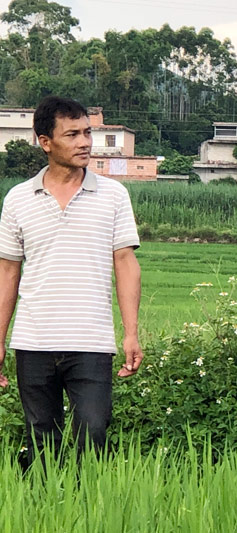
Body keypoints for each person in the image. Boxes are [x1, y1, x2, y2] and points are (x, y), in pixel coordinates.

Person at [0, 96, 143, 468]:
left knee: (92, 434)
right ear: (45, 141)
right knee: (41, 439)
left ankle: (87, 511)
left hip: (91, 341)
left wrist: (131, 333)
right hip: (34, 341)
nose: (84, 142)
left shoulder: (113, 195)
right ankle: (42, 512)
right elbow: (7, 273)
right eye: (72, 134)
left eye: (87, 132)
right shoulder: (18, 199)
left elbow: (125, 262)